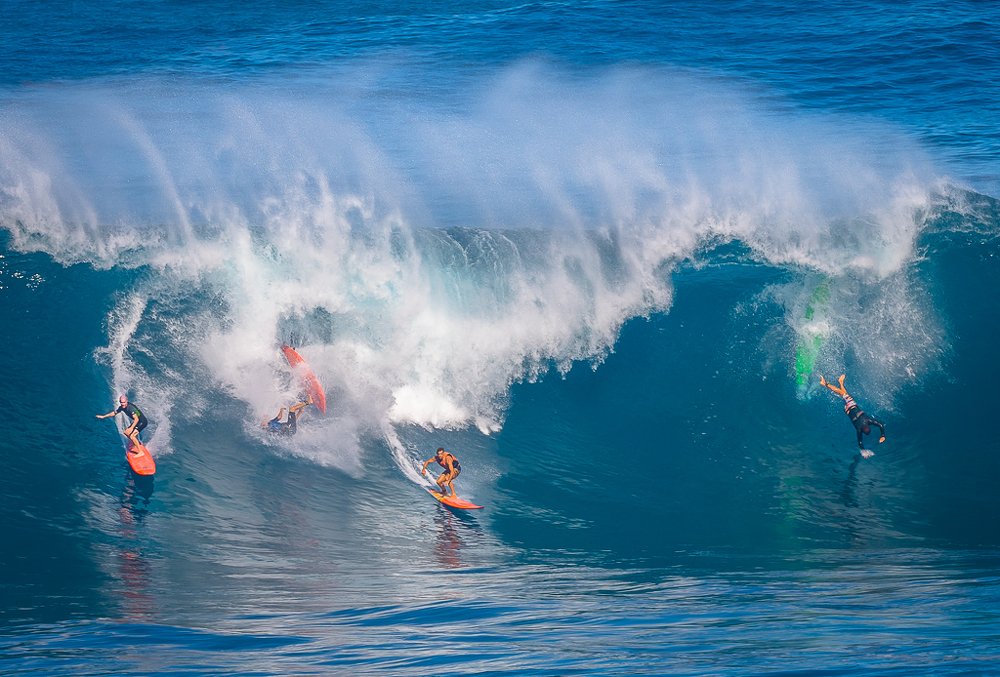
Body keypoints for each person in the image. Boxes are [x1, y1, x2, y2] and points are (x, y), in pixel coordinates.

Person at [819, 374, 886, 458]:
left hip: (851, 405)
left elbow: (880, 425)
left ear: (867, 427)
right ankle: (840, 383)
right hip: (847, 410)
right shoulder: (860, 429)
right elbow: (861, 442)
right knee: (844, 394)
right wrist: (863, 450)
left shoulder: (867, 422)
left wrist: (882, 435)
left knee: (842, 393)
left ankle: (825, 384)